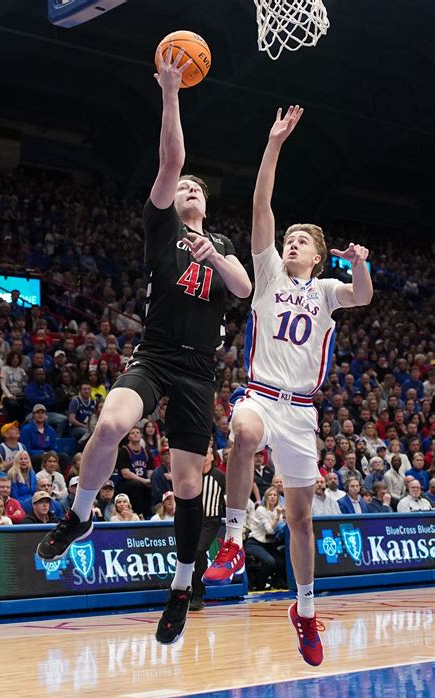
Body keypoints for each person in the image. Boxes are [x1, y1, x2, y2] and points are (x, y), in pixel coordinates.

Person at [36, 45, 251, 648]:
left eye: (194, 189)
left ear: (205, 204)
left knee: (187, 487)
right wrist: (170, 91)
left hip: (199, 371)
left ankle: (181, 586)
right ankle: (79, 514)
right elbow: (172, 157)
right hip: (155, 355)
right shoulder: (161, 226)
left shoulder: (222, 243)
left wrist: (218, 254)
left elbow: (244, 287)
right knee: (109, 423)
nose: (186, 189)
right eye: (180, 187)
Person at [202, 106, 372, 666]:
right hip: (260, 393)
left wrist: (361, 265)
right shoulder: (269, 273)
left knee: (301, 519)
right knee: (242, 431)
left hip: (302, 414)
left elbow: (363, 296)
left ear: (319, 256)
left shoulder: (326, 290)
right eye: (290, 238)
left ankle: (303, 609)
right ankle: (232, 540)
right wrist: (274, 144)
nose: (292, 243)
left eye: (302, 241)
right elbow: (260, 206)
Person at [191, 443, 226, 611]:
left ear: (212, 457)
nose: (204, 456)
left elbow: (229, 498)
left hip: (211, 521)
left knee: (199, 550)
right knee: (191, 555)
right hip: (193, 520)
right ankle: (188, 592)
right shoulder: (193, 475)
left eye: (207, 453)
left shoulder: (220, 477)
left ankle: (198, 595)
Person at [242, 487, 286, 591]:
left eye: (275, 495)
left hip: (268, 544)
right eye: (270, 495)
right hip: (254, 543)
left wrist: (284, 514)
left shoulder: (277, 510)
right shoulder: (261, 510)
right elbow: (270, 531)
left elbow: (284, 525)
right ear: (265, 497)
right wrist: (278, 515)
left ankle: (277, 582)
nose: (272, 497)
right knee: (270, 562)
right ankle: (259, 585)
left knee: (281, 561)